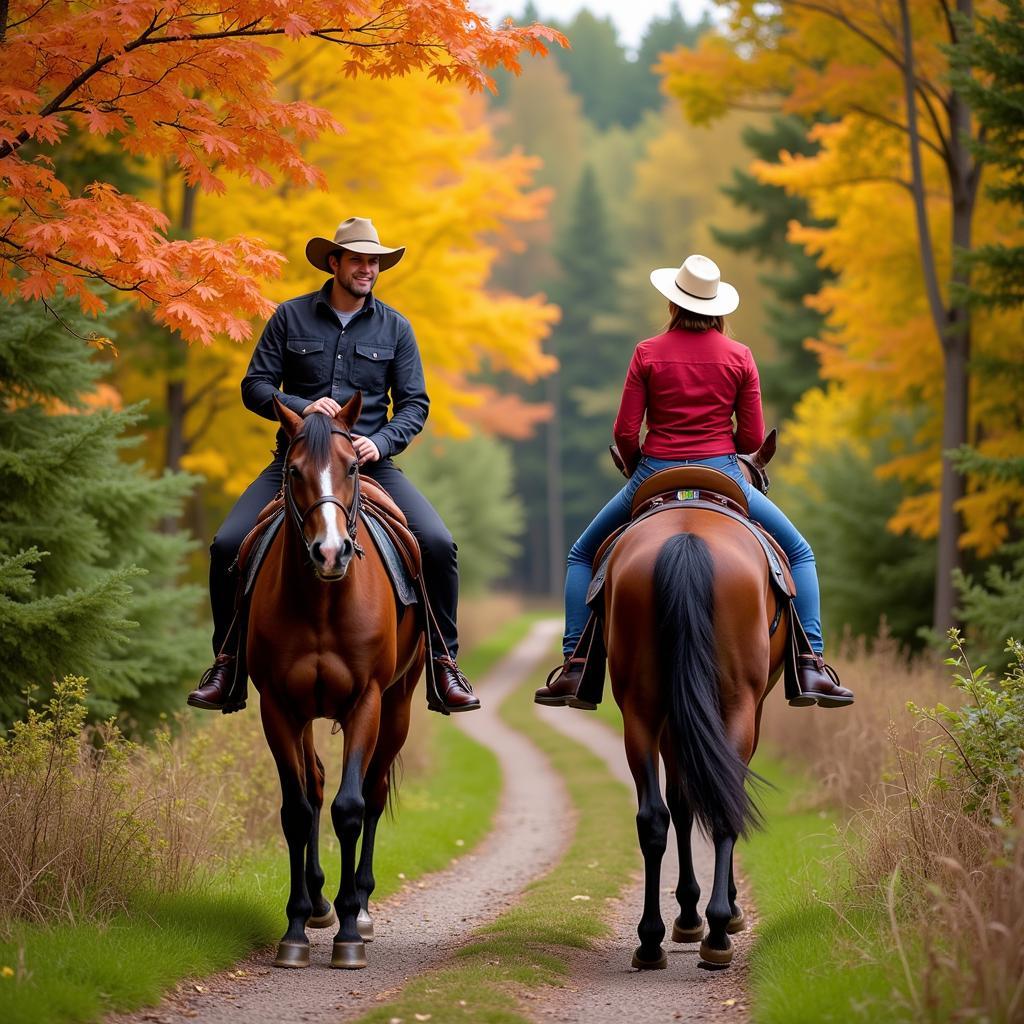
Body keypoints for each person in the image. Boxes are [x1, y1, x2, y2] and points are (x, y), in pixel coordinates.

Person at [188, 216, 479, 715]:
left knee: (437, 543)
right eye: (359, 260)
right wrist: (301, 405)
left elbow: (415, 405)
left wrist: (380, 443)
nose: (368, 269)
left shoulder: (397, 327)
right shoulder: (289, 317)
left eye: (375, 261)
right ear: (334, 262)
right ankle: (227, 664)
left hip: (367, 466)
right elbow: (254, 387)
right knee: (227, 545)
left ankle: (443, 663)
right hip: (296, 465)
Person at [535, 253, 853, 709]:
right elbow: (751, 437)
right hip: (723, 473)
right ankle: (811, 666)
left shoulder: (647, 352)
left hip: (654, 472)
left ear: (673, 304)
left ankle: (575, 667)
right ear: (718, 308)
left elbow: (625, 431)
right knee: (800, 552)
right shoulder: (739, 356)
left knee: (582, 553)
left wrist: (635, 463)